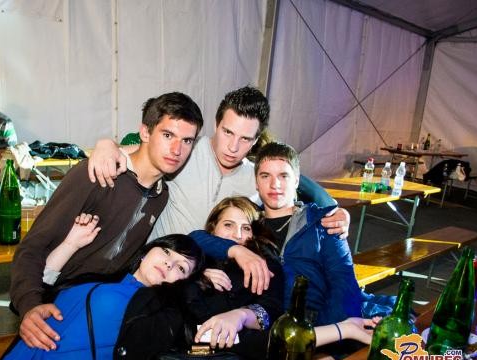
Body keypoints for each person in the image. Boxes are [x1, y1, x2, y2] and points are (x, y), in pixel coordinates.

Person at [87, 86, 351, 295]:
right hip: (153, 269)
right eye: (228, 132)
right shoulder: (185, 150)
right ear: (216, 125)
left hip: (209, 278)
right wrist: (106, 145)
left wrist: (337, 211)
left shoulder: (255, 177)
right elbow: (137, 152)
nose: (233, 147)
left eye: (245, 139)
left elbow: (298, 183)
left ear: (256, 141)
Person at [10, 92, 204, 352]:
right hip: (56, 302)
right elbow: (32, 247)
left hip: (101, 308)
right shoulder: (97, 173)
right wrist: (30, 304)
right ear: (145, 132)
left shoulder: (161, 196)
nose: (177, 150)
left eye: (187, 140)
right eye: (168, 135)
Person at [149, 196, 378, 360]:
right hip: (171, 358)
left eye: (246, 228)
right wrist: (198, 274)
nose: (238, 235)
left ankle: (344, 330)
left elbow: (269, 311)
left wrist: (240, 315)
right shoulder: (193, 259)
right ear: (212, 228)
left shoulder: (266, 266)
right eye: (228, 225)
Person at [0, 232, 206, 360]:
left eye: (181, 267)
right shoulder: (96, 277)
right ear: (147, 251)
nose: (170, 263)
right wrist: (70, 244)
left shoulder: (159, 312)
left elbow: (197, 344)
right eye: (167, 251)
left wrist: (199, 287)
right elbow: (38, 286)